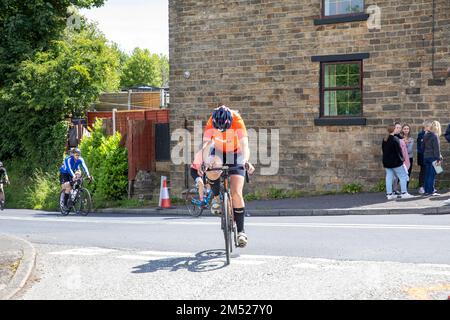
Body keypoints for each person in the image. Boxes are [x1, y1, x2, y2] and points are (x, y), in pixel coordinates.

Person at [198, 104, 255, 247]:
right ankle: (216, 198)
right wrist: (204, 162)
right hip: (217, 151)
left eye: (225, 128)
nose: (222, 131)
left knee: (236, 193)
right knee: (211, 168)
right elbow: (205, 145)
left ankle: (241, 232)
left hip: (236, 153)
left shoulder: (237, 120)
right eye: (219, 129)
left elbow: (244, 145)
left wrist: (246, 161)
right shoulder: (211, 121)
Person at [382, 125, 413, 200]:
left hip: (386, 162)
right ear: (393, 130)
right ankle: (404, 193)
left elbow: (383, 150)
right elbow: (399, 152)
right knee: (403, 176)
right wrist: (402, 160)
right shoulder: (395, 139)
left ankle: (389, 194)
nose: (397, 129)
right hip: (396, 162)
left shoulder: (385, 139)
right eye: (396, 128)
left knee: (389, 178)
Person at [422, 120, 442, 196]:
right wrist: (438, 159)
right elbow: (436, 149)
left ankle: (427, 190)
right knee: (432, 175)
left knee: (427, 174)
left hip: (426, 157)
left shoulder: (425, 135)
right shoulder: (434, 136)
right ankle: (431, 191)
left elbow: (422, 147)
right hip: (433, 157)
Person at [392, 122, 410, 194]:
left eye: (400, 128)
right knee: (393, 176)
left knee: (398, 176)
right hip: (394, 160)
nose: (399, 129)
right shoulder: (392, 137)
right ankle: (394, 191)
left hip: (400, 159)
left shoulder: (400, 137)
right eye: (397, 128)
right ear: (394, 128)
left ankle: (395, 190)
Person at [416, 123, 427, 194]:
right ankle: (421, 187)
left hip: (432, 156)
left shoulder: (433, 134)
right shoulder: (421, 135)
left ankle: (429, 187)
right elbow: (420, 148)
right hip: (423, 156)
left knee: (432, 171)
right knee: (423, 171)